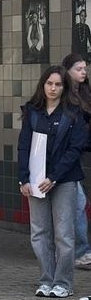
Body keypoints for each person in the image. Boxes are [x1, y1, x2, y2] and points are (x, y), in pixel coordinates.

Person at [18, 65, 87, 298]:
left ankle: (63, 283)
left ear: (64, 87)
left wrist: (54, 177)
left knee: (64, 234)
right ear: (43, 85)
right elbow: (24, 146)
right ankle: (46, 279)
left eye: (58, 84)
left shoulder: (73, 113)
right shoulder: (33, 111)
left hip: (64, 180)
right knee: (39, 232)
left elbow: (75, 149)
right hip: (36, 180)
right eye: (49, 83)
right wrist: (23, 179)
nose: (53, 88)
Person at [61, 54, 91, 271]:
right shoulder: (63, 94)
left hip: (77, 153)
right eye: (79, 68)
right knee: (78, 203)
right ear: (68, 70)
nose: (83, 72)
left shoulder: (84, 93)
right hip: (66, 156)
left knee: (78, 203)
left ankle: (77, 250)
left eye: (85, 68)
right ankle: (79, 251)